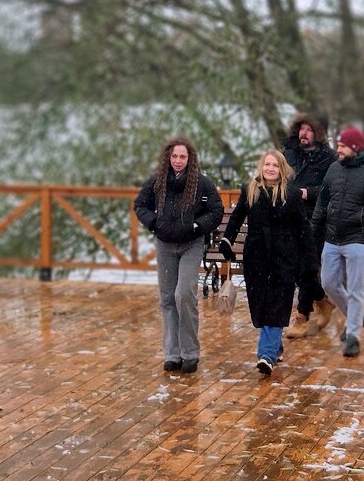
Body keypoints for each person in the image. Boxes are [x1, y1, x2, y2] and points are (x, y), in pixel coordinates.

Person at [219, 150, 316, 377]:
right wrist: (226, 240)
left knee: (277, 304)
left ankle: (266, 355)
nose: (270, 169)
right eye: (267, 164)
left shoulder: (291, 195)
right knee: (262, 304)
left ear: (282, 170)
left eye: (275, 165)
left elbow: (304, 230)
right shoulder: (250, 191)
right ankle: (275, 345)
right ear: (261, 167)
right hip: (257, 258)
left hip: (284, 259)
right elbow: (236, 217)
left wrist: (309, 263)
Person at [135, 136, 223, 374]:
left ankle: (191, 353)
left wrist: (196, 227)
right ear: (168, 158)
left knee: (184, 294)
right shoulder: (156, 182)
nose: (178, 160)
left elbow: (216, 211)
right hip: (164, 245)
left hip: (191, 245)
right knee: (167, 299)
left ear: (190, 159)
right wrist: (154, 224)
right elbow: (140, 206)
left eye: (183, 156)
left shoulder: (201, 184)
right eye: (174, 156)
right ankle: (172, 354)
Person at [311, 126, 364, 357]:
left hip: (360, 239)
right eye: (338, 146)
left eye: (343, 146)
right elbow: (323, 201)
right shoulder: (333, 169)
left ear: (355, 148)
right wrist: (314, 228)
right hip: (332, 237)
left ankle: (353, 336)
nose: (339, 150)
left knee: (356, 289)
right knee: (328, 283)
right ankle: (356, 317)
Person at [282, 112, 337, 339]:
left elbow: (331, 188)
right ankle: (322, 300)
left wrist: (307, 193)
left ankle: (302, 316)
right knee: (292, 266)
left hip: (316, 217)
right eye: (302, 128)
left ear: (319, 133)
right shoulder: (289, 152)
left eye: (310, 130)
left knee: (307, 267)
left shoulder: (330, 158)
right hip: (289, 215)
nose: (304, 133)